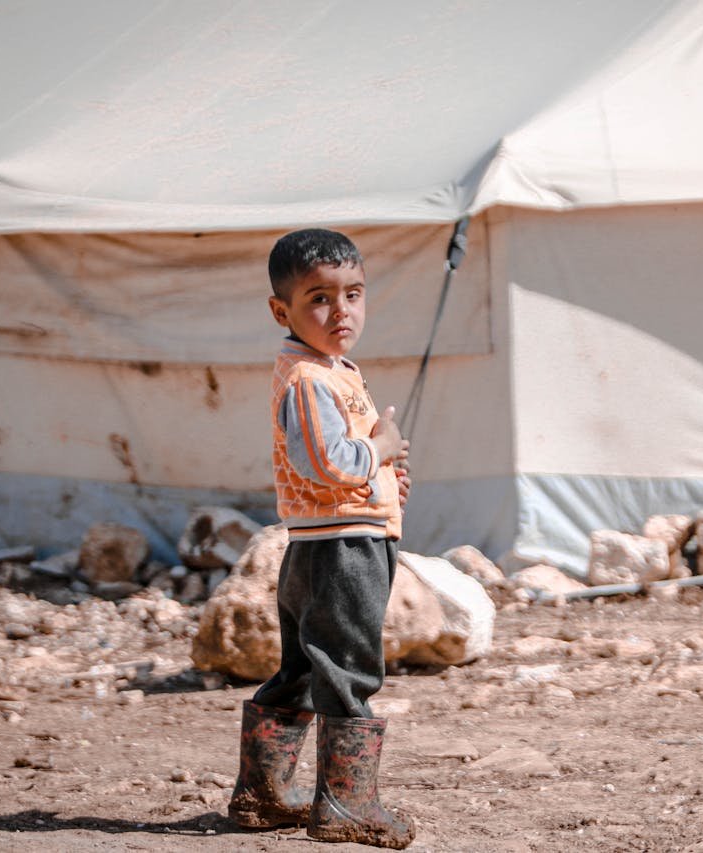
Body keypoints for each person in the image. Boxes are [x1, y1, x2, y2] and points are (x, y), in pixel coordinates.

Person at [228, 228, 415, 849]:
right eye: (320, 298)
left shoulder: (331, 371)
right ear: (281, 310)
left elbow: (342, 464)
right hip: (342, 548)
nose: (342, 312)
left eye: (353, 294)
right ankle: (344, 804)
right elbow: (326, 463)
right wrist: (380, 450)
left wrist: (387, 473)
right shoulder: (310, 378)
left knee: (305, 667)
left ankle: (262, 794)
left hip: (324, 541)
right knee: (349, 668)